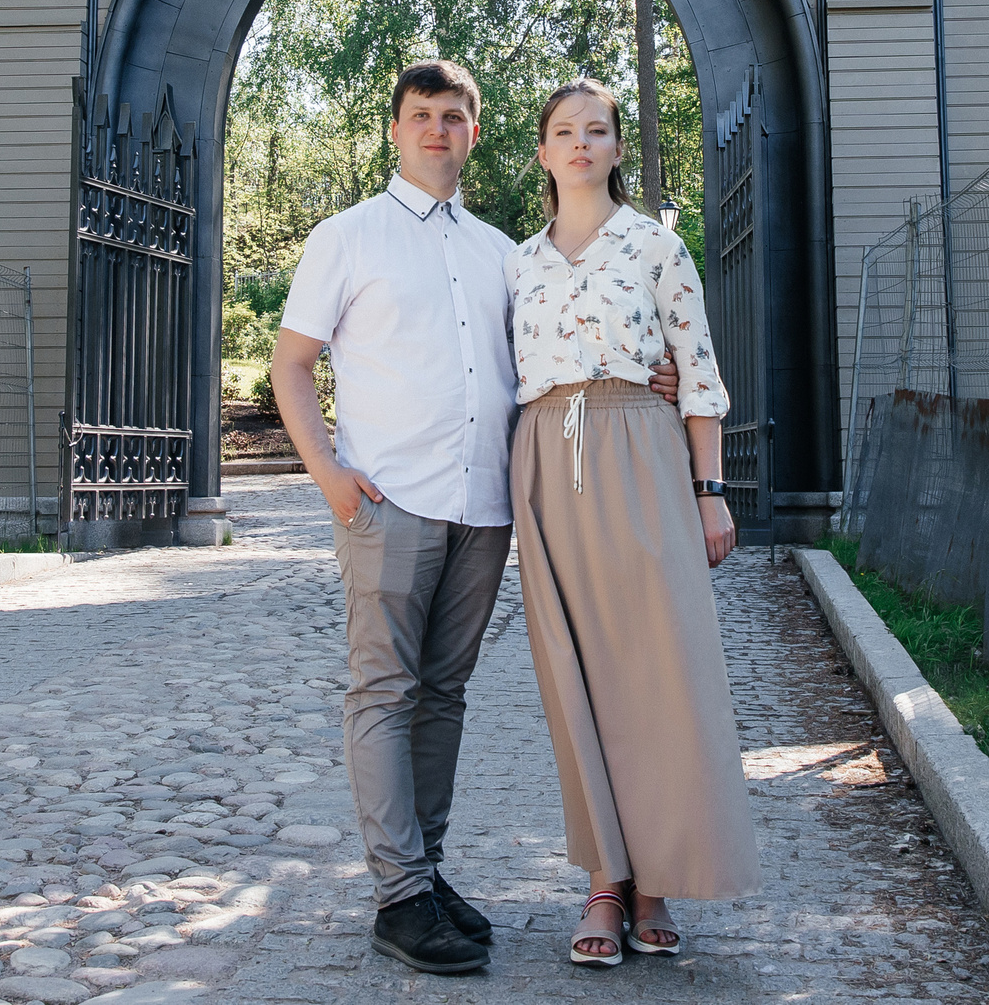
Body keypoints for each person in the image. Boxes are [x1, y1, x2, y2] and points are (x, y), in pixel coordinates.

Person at [269, 59, 678, 976]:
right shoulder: (349, 237)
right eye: (421, 115)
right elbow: (290, 364)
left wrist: (651, 372)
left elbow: (566, 342)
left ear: (476, 133)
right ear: (394, 130)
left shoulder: (503, 250)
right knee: (383, 691)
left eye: (454, 117)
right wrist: (330, 475)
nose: (437, 131)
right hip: (390, 498)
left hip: (484, 507)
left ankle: (429, 869)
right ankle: (399, 893)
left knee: (443, 693)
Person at [505, 76, 762, 966]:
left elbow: (696, 370)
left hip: (640, 448)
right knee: (573, 678)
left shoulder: (657, 247)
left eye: (597, 130)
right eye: (564, 131)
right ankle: (604, 882)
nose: (580, 143)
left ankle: (655, 873)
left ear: (616, 146)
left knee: (657, 667)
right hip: (546, 455)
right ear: (542, 152)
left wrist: (709, 488)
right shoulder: (518, 262)